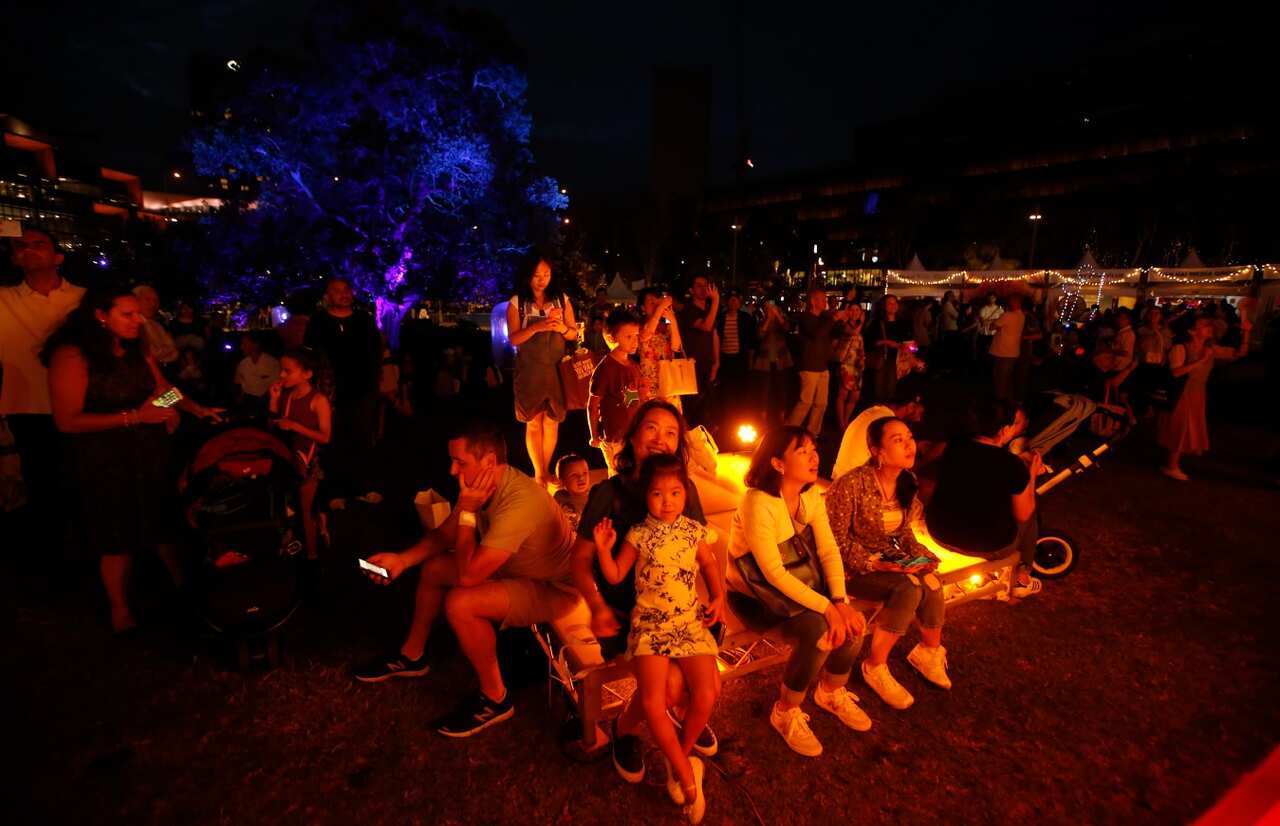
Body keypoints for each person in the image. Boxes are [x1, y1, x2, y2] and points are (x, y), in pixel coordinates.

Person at [354, 420, 578, 738]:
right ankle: (412, 655)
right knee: (432, 569)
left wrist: (470, 513)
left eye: (460, 462)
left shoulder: (519, 501)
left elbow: (468, 575)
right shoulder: (479, 488)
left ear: (488, 463)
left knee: (461, 603)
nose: (452, 470)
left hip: (553, 588)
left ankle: (496, 698)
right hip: (515, 568)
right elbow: (445, 535)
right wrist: (402, 561)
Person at [43, 286, 223, 631]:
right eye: (128, 314)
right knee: (116, 534)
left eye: (139, 313)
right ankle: (120, 609)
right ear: (100, 315)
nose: (138, 320)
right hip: (104, 458)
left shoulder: (136, 348)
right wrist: (135, 417)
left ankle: (188, 593)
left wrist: (194, 408)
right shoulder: (71, 355)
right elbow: (67, 421)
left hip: (151, 453)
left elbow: (162, 390)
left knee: (166, 523)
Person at [571, 400, 719, 782]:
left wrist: (715, 595)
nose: (660, 439)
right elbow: (579, 561)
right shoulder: (609, 493)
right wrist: (596, 606)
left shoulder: (685, 491)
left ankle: (683, 723)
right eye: (651, 428)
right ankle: (626, 728)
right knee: (668, 686)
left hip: (679, 613)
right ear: (633, 436)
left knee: (700, 678)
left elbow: (701, 553)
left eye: (671, 433)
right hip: (625, 618)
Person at [593, 454, 724, 822]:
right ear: (645, 496)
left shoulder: (694, 530)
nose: (667, 501)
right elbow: (617, 574)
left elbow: (710, 563)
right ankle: (686, 775)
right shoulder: (638, 533)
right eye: (657, 494)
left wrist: (718, 595)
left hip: (689, 622)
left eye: (676, 492)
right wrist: (604, 550)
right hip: (651, 624)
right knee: (653, 703)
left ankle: (677, 755)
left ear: (686, 493)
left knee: (708, 692)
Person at [728, 425, 869, 756]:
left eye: (814, 449)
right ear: (777, 463)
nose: (814, 456)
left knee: (852, 623)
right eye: (802, 451)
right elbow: (773, 574)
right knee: (821, 631)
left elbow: (828, 551)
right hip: (755, 596)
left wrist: (839, 601)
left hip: (802, 583)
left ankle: (831, 691)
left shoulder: (809, 494)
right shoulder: (756, 502)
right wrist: (827, 609)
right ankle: (786, 711)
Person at [826, 417, 950, 710]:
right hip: (848, 567)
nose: (909, 445)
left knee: (931, 581)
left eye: (909, 437)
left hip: (888, 558)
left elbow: (903, 532)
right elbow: (833, 542)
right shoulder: (851, 485)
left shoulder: (908, 481)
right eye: (897, 440)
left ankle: (929, 652)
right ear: (877, 451)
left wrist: (921, 555)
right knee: (908, 589)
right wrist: (874, 563)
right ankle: (875, 666)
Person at [0, 228, 84, 555]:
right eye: (22, 246)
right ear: (14, 257)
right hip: (29, 407)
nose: (30, 250)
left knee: (82, 480)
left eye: (39, 244)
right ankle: (51, 555)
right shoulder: (4, 300)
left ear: (58, 256)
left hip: (81, 407)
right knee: (41, 483)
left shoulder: (84, 299)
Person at [926, 396, 1043, 595]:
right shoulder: (1011, 464)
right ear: (1005, 430)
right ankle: (1022, 577)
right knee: (1031, 514)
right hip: (987, 545)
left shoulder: (954, 447)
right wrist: (1031, 476)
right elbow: (1023, 515)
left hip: (939, 532)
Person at [304, 276, 382, 502]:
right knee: (333, 440)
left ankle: (363, 487)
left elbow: (375, 351)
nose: (344, 293)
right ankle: (335, 491)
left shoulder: (363, 319)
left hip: (362, 390)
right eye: (337, 290)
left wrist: (374, 383)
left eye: (347, 289)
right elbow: (310, 355)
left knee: (362, 438)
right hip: (330, 392)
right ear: (328, 296)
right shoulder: (318, 321)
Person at [506, 253, 578, 486]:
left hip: (555, 368)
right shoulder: (517, 303)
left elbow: (573, 333)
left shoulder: (561, 299)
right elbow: (514, 338)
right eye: (537, 275)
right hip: (530, 370)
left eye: (546, 274)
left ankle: (545, 470)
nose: (542, 279)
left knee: (552, 420)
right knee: (534, 421)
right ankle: (539, 472)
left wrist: (561, 328)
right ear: (527, 276)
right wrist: (538, 327)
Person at [1158, 313, 1252, 481]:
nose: (1210, 327)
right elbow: (1176, 372)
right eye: (1204, 325)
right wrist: (1201, 360)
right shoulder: (1180, 348)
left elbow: (1239, 353)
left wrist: (1246, 333)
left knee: (1188, 427)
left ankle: (1171, 464)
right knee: (1181, 428)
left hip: (1197, 392)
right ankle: (1171, 466)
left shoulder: (1211, 348)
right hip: (1182, 392)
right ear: (1192, 331)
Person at [268, 348, 332, 561]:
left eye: (287, 371)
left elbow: (325, 437)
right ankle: (293, 541)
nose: (282, 376)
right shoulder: (287, 395)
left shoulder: (318, 400)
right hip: (289, 460)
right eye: (281, 370)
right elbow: (275, 426)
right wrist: (274, 400)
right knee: (286, 506)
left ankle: (312, 555)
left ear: (307, 374)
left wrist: (295, 425)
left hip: (308, 463)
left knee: (305, 511)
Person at [786, 287, 847, 437]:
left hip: (822, 366)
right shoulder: (805, 318)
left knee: (821, 403)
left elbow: (835, 331)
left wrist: (842, 321)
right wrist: (833, 319)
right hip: (808, 365)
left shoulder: (824, 318)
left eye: (825, 299)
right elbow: (817, 334)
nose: (825, 302)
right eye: (822, 299)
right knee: (805, 401)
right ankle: (788, 431)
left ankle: (813, 433)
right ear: (813, 301)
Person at [588, 309, 643, 476]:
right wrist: (594, 434)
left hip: (632, 434)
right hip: (614, 436)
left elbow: (634, 396)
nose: (635, 341)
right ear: (612, 338)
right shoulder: (605, 369)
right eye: (628, 337)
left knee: (633, 472)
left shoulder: (633, 366)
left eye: (636, 336)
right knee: (618, 474)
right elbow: (593, 403)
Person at [831, 393, 926, 482]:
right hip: (853, 483)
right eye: (920, 413)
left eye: (910, 437)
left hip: (841, 476)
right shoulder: (888, 424)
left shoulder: (875, 412)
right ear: (910, 407)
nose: (919, 419)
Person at [675, 276, 720, 426]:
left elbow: (714, 335)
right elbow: (706, 326)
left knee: (708, 408)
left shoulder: (709, 310)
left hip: (707, 363)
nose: (703, 289)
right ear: (691, 290)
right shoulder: (689, 311)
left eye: (705, 285)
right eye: (699, 286)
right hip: (692, 365)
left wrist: (716, 362)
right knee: (693, 408)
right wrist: (716, 301)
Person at [636, 288, 683, 405]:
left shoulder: (665, 327)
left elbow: (676, 347)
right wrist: (661, 308)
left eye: (657, 302)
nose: (656, 305)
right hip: (650, 384)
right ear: (642, 308)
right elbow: (646, 334)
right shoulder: (639, 327)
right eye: (652, 303)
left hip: (669, 382)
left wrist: (672, 320)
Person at [751, 299, 793, 424]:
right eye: (768, 308)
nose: (771, 311)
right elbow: (759, 336)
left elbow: (787, 328)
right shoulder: (761, 322)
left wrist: (778, 316)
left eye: (773, 308)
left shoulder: (781, 322)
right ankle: (762, 418)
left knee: (782, 390)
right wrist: (768, 320)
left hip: (781, 361)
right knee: (764, 391)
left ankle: (782, 418)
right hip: (765, 363)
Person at [715, 290, 757, 407]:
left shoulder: (746, 318)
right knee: (726, 389)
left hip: (740, 358)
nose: (733, 302)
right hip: (725, 358)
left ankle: (739, 412)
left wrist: (750, 360)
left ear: (740, 302)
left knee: (740, 389)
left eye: (736, 299)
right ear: (726, 302)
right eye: (731, 299)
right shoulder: (720, 318)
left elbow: (752, 341)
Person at [864, 294, 907, 404]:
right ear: (884, 306)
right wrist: (886, 342)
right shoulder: (877, 323)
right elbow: (869, 342)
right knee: (879, 390)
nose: (893, 306)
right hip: (881, 359)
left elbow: (906, 340)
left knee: (891, 390)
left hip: (897, 360)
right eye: (889, 303)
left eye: (895, 303)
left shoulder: (902, 322)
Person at [835, 304, 867, 433]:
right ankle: (841, 423)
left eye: (857, 310)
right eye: (852, 310)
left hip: (857, 364)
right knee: (842, 394)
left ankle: (846, 420)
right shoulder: (843, 324)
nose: (854, 312)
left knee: (854, 396)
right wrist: (862, 323)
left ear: (860, 312)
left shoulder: (861, 327)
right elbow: (854, 333)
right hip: (845, 364)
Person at [131, 285, 179, 369]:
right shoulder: (132, 326)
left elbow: (174, 351)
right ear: (135, 300)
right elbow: (150, 355)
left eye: (156, 300)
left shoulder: (157, 325)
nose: (153, 304)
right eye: (147, 299)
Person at [234, 331, 281, 414]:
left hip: (266, 403)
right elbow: (238, 382)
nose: (241, 347)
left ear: (256, 344)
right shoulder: (243, 364)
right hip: (247, 401)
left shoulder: (272, 363)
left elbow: (276, 384)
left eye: (245, 344)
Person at [990, 296, 1025, 401]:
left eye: (1011, 301)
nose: (1010, 304)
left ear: (1015, 302)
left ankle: (1000, 398)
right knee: (1007, 376)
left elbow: (992, 327)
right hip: (1013, 350)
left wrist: (996, 322)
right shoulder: (1022, 316)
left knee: (999, 375)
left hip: (1002, 350)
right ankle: (1007, 398)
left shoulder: (1007, 315)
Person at [553, 453, 591, 533]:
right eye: (574, 475)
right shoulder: (559, 496)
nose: (581, 478)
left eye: (585, 473)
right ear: (562, 480)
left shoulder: (594, 498)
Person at [1014, 296, 1043, 401]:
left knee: (1022, 373)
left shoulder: (1029, 318)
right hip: (1016, 348)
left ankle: (1019, 398)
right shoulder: (1019, 317)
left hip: (1024, 348)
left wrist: (1023, 337)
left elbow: (1039, 335)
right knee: (1018, 373)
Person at [977, 292, 1003, 361]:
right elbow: (983, 322)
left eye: (992, 298)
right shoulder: (983, 309)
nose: (991, 299)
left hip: (995, 334)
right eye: (989, 298)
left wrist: (989, 321)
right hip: (985, 334)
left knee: (994, 354)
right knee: (984, 354)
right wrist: (995, 320)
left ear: (995, 298)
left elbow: (1002, 321)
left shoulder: (1000, 310)